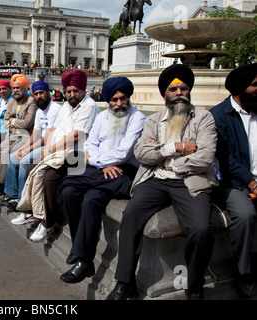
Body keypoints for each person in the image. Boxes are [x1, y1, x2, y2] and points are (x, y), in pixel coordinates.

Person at [107, 64, 218, 300]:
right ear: (164, 95)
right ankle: (124, 282)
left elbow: (205, 158)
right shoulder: (155, 120)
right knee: (131, 214)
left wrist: (167, 160)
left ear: (189, 91)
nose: (178, 93)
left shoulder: (204, 118)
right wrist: (176, 148)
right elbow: (141, 153)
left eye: (183, 88)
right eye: (172, 89)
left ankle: (195, 285)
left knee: (200, 229)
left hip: (190, 181)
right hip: (155, 180)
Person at [57, 77, 146, 284]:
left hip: (123, 171)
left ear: (128, 97)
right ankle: (82, 251)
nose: (118, 103)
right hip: (101, 169)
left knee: (77, 188)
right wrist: (102, 164)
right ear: (107, 100)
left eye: (122, 98)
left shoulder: (138, 118)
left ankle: (82, 258)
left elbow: (124, 152)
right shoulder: (102, 117)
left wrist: (100, 162)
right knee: (70, 193)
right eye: (113, 99)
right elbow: (91, 146)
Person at [16, 69, 100, 242]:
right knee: (31, 167)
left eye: (75, 91)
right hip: (59, 152)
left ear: (83, 90)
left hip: (78, 155)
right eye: (68, 91)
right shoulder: (66, 107)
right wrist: (47, 148)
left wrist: (51, 149)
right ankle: (33, 213)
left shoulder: (89, 106)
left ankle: (48, 224)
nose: (71, 94)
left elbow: (77, 135)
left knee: (49, 178)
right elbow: (53, 129)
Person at [209, 63, 257, 299]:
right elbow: (224, 159)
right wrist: (252, 182)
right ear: (239, 89)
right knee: (245, 215)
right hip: (233, 183)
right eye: (255, 85)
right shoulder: (218, 115)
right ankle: (244, 273)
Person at [0, 80, 62, 213]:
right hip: (41, 143)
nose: (38, 96)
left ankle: (22, 201)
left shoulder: (55, 109)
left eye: (41, 93)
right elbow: (36, 134)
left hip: (52, 146)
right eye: (36, 93)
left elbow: (47, 138)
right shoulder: (39, 111)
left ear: (48, 93)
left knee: (24, 161)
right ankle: (11, 194)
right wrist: (24, 147)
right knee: (14, 156)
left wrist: (28, 149)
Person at [0, 74, 37, 198]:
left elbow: (28, 123)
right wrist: (17, 121)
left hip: (25, 137)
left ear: (24, 88)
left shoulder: (31, 101)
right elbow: (5, 122)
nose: (15, 90)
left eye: (18, 87)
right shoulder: (11, 101)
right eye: (14, 88)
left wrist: (12, 120)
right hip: (11, 135)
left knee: (6, 154)